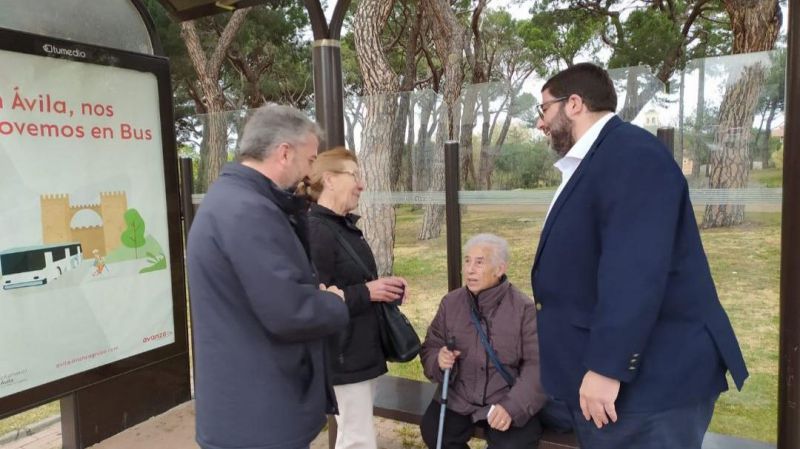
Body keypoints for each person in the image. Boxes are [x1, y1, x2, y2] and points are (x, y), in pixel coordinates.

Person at [530, 62, 749, 448]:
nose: (540, 124)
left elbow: (635, 270)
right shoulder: (601, 159)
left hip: (651, 386)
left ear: (574, 104)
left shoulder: (632, 155)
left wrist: (606, 367)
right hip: (620, 390)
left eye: (543, 109)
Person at [187, 105, 350, 449]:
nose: (310, 172)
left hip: (244, 408)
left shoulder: (230, 200)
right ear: (284, 153)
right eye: (309, 160)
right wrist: (333, 302)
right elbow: (287, 311)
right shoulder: (249, 211)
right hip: (259, 418)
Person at [299, 147, 409, 449]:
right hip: (343, 353)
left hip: (359, 349)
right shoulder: (318, 230)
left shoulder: (340, 226)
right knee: (358, 440)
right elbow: (311, 299)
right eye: (354, 176)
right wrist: (367, 292)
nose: (361, 185)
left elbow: (349, 284)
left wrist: (384, 288)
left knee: (354, 435)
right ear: (330, 180)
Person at [419, 233, 547, 449]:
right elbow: (430, 347)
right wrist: (438, 360)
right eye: (467, 261)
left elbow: (538, 367)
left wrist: (512, 407)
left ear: (500, 269)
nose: (470, 269)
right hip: (459, 398)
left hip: (504, 397)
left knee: (514, 444)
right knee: (434, 433)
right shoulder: (451, 303)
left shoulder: (523, 308)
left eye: (480, 262)